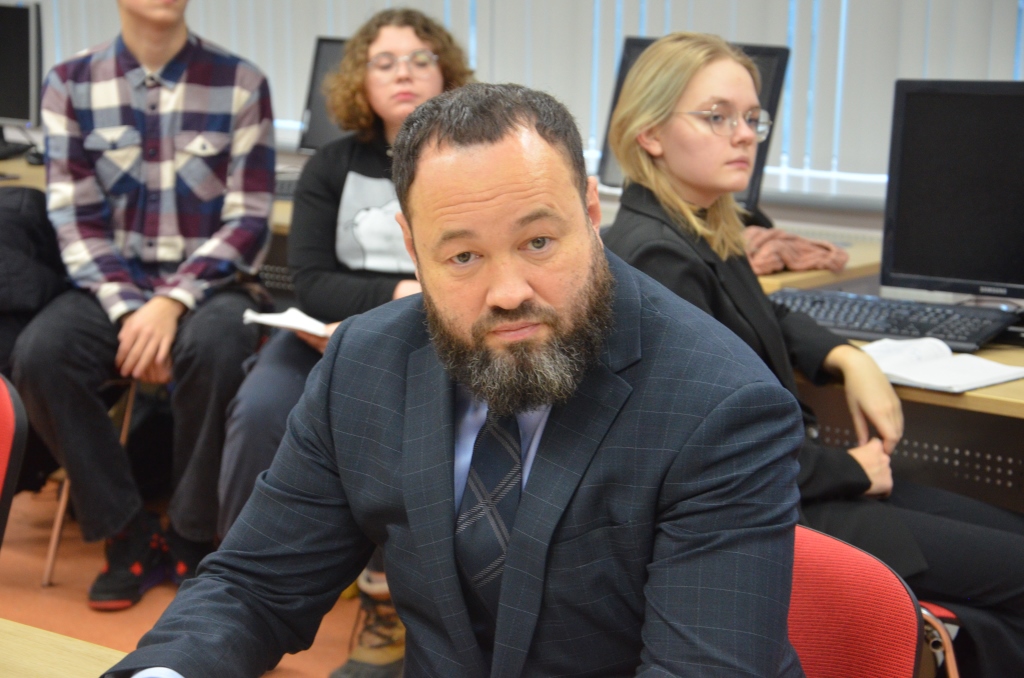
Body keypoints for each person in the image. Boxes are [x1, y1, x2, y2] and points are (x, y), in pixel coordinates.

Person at [104, 83, 805, 678]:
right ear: (414, 249)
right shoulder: (365, 363)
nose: (508, 292)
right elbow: (256, 585)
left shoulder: (720, 407)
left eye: (538, 242)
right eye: (463, 256)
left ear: (592, 215)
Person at [602, 31, 1024, 678]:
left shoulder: (700, 226)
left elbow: (765, 315)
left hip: (806, 485)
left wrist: (849, 358)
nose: (745, 136)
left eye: (753, 118)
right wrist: (852, 469)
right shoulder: (657, 257)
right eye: (717, 117)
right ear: (649, 134)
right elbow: (717, 449)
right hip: (785, 511)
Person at [214, 10, 471, 677]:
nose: (403, 73)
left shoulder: (469, 162)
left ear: (446, 72)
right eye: (384, 62)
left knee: (412, 429)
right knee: (260, 408)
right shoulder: (331, 165)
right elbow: (310, 280)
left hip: (431, 342)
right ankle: (237, 593)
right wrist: (399, 292)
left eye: (419, 59)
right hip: (323, 336)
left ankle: (389, 603)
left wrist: (407, 305)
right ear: (361, 79)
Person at [11, 0, 274, 611]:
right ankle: (125, 529)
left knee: (220, 347)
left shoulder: (241, 82)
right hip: (111, 285)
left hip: (208, 286)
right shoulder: (70, 83)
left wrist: (171, 302)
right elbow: (75, 219)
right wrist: (131, 310)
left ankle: (191, 532)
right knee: (41, 355)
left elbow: (248, 221)